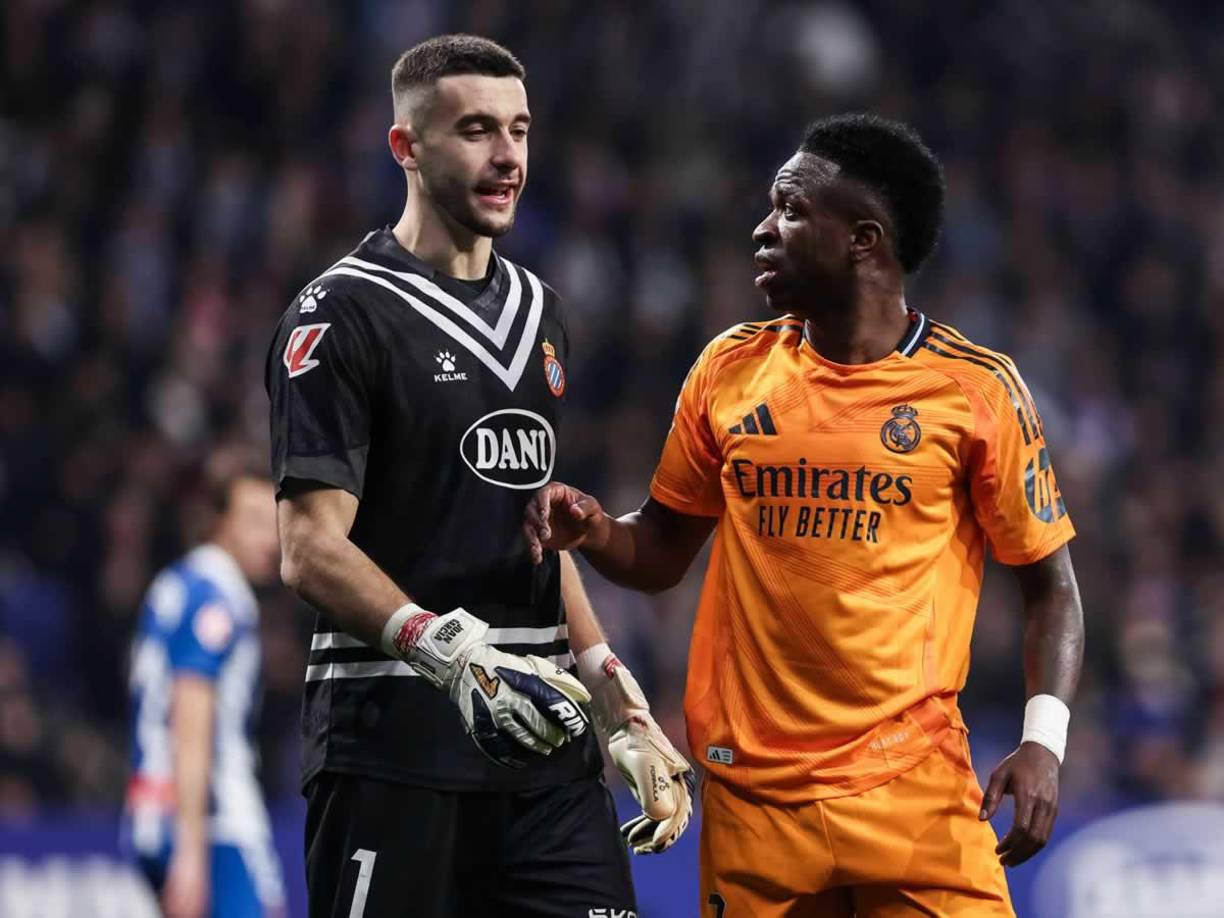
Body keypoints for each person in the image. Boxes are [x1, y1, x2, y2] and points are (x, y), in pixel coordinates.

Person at [525, 113, 1085, 917]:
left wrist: (1044, 743)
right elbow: (658, 552)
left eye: (790, 209)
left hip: (916, 789)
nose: (762, 229)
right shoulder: (729, 369)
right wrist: (594, 530)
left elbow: (1052, 588)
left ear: (864, 240)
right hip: (756, 801)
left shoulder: (977, 390)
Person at [266, 35, 692, 918]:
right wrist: (451, 656)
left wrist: (617, 699)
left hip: (548, 764)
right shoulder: (339, 314)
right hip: (394, 753)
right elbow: (309, 549)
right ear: (406, 148)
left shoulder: (542, 312)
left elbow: (530, 528)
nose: (508, 156)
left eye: (520, 130)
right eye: (475, 130)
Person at [124, 459, 286, 918]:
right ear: (218, 521)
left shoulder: (179, 583)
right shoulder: (217, 596)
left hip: (154, 808)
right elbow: (190, 715)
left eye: (273, 521)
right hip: (211, 822)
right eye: (252, 521)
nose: (268, 539)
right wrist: (191, 851)